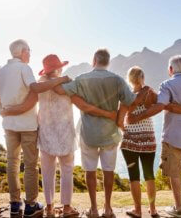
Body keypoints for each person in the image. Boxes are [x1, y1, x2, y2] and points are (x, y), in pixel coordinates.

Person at [0, 54, 117, 218]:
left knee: (47, 172)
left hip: (46, 134)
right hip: (65, 135)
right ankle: (67, 208)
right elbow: (80, 102)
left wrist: (8, 111)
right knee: (67, 171)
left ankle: (49, 208)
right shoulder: (67, 83)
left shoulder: (40, 84)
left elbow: (29, 104)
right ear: (58, 68)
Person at [53, 49, 150, 218]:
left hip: (88, 133)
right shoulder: (118, 80)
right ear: (108, 61)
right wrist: (119, 119)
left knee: (90, 171)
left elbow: (60, 91)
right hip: (110, 134)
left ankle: (94, 209)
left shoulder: (82, 79)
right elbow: (130, 101)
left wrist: (63, 79)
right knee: (108, 171)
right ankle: (108, 208)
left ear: (94, 60)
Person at [0, 39, 71, 217]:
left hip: (8, 125)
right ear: (22, 52)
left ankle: (15, 204)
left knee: (12, 163)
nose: (30, 53)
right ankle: (30, 205)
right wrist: (62, 79)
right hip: (27, 125)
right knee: (30, 165)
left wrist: (4, 111)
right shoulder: (24, 68)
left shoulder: (1, 71)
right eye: (29, 50)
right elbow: (36, 88)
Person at [127, 55, 181, 217]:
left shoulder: (167, 85)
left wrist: (137, 118)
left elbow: (161, 106)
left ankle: (178, 208)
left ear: (170, 69)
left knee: (174, 172)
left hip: (173, 136)